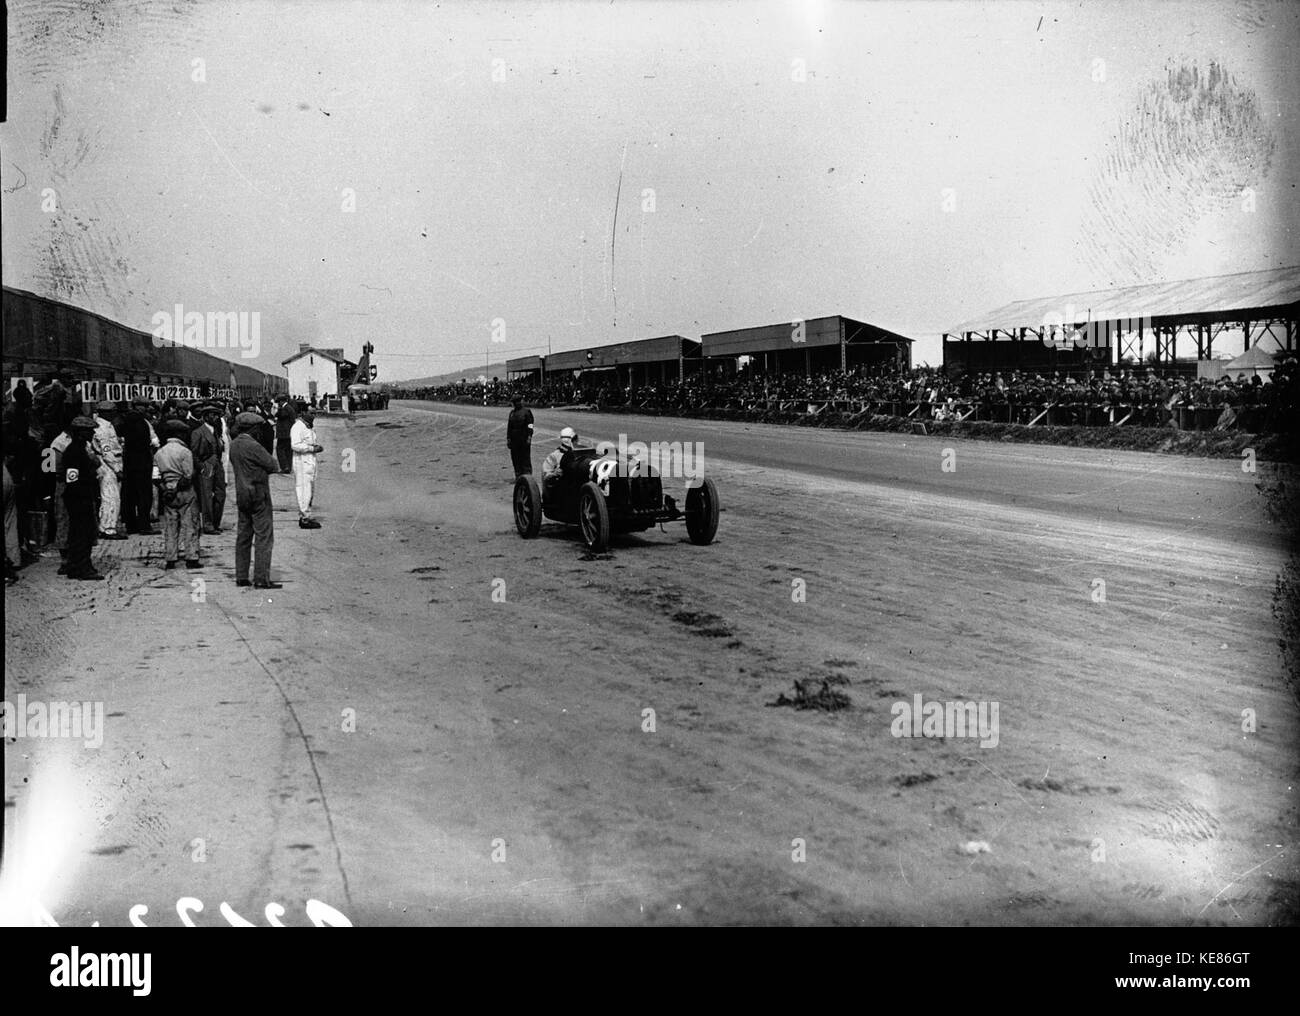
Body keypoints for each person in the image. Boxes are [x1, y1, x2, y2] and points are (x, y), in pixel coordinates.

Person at [230, 411, 282, 589]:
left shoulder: (234, 445)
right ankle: (261, 578)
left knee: (243, 536)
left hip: (242, 494)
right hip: (258, 494)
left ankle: (241, 576)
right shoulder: (254, 446)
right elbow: (274, 465)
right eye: (258, 428)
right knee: (263, 537)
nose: (260, 431)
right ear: (252, 428)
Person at [61, 416, 104, 580]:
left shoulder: (81, 449)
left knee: (79, 533)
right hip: (79, 498)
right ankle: (82, 567)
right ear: (80, 433)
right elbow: (72, 479)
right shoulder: (74, 452)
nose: (92, 432)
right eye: (89, 430)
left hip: (81, 496)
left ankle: (76, 565)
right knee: (82, 534)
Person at [154, 419, 201, 570]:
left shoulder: (159, 452)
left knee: (170, 526)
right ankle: (191, 557)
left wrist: (166, 489)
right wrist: (176, 488)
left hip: (167, 490)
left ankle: (170, 557)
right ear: (179, 434)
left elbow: (155, 477)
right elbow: (187, 476)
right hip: (184, 492)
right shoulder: (185, 452)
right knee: (189, 525)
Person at [116, 397, 158, 535]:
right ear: (135, 406)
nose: (145, 408)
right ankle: (144, 525)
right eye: (142, 406)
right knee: (144, 495)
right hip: (141, 462)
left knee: (130, 495)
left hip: (129, 462)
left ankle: (131, 525)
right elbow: (147, 443)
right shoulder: (140, 421)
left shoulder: (125, 420)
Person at [91, 401, 125, 539]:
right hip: (107, 465)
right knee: (111, 498)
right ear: (105, 412)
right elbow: (107, 452)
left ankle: (105, 526)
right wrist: (117, 469)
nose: (114, 413)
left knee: (108, 497)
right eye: (112, 411)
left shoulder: (106, 426)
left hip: (108, 463)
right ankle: (108, 529)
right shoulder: (102, 429)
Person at [289, 403, 323, 529]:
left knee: (310, 489)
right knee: (304, 489)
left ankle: (307, 514)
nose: (313, 416)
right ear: (303, 413)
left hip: (310, 461)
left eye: (314, 413)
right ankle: (304, 517)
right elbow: (295, 445)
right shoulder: (297, 427)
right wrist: (311, 448)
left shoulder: (308, 427)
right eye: (311, 413)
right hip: (302, 461)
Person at [190, 404, 220, 534]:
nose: (216, 417)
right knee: (206, 496)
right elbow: (194, 453)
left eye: (217, 415)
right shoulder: (198, 432)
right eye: (213, 415)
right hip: (206, 465)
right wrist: (202, 467)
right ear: (206, 416)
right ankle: (208, 524)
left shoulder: (216, 430)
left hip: (217, 465)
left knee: (220, 494)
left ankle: (216, 522)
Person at [507, 395, 534, 476]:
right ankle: (518, 475)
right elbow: (509, 427)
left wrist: (529, 436)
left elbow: (530, 425)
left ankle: (527, 475)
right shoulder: (512, 413)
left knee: (525, 457)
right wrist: (508, 438)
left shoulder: (527, 412)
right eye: (514, 403)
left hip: (524, 438)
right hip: (514, 439)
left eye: (517, 402)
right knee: (515, 458)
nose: (515, 404)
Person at [274, 396, 296, 473]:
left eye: (279, 402)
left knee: (280, 449)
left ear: (282, 401)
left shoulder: (285, 408)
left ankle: (284, 467)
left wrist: (279, 409)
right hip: (288, 433)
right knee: (288, 450)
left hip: (284, 433)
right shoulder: (289, 408)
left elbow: (279, 415)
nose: (278, 404)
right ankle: (288, 467)